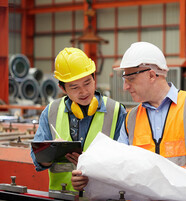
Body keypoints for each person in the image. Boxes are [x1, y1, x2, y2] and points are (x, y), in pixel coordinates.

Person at [71, 41, 186, 191]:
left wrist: (169, 186)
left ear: (151, 75)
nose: (125, 87)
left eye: (130, 79)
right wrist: (90, 176)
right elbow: (118, 165)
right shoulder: (130, 119)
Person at [31, 47, 127, 192]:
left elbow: (125, 162)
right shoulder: (51, 112)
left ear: (94, 78)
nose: (83, 92)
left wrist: (92, 171)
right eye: (74, 87)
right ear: (63, 88)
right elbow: (37, 160)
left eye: (87, 83)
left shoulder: (116, 111)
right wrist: (50, 151)